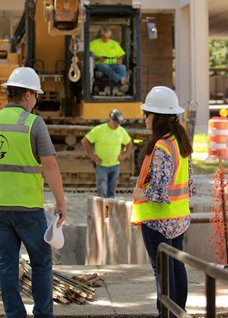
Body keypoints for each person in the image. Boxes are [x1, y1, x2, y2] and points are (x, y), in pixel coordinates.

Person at [0, 66, 67, 318]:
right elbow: (50, 166)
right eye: (35, 94)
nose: (36, 100)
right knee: (42, 264)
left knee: (6, 266)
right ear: (27, 95)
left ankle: (15, 315)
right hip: (28, 209)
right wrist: (61, 202)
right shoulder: (34, 124)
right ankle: (43, 315)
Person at [131, 86, 195, 318]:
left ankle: (165, 314)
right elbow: (190, 183)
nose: (144, 118)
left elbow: (158, 189)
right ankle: (178, 312)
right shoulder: (179, 141)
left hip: (158, 219)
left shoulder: (161, 146)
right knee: (177, 267)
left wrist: (140, 194)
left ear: (155, 117)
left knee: (162, 270)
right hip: (178, 217)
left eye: (147, 114)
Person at [81, 109, 132, 198]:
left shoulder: (121, 131)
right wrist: (92, 155)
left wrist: (125, 154)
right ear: (110, 120)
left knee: (111, 192)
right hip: (102, 165)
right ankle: (102, 209)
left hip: (115, 165)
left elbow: (129, 143)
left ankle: (110, 209)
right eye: (115, 123)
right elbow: (84, 141)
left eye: (119, 123)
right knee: (102, 191)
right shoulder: (99, 129)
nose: (117, 125)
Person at [90, 26, 129, 92]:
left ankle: (121, 86)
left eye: (107, 37)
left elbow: (121, 55)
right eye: (104, 37)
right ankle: (120, 81)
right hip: (100, 64)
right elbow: (90, 56)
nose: (106, 39)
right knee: (105, 67)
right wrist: (98, 58)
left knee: (122, 67)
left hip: (114, 64)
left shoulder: (114, 43)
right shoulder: (94, 43)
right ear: (101, 35)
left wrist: (120, 59)